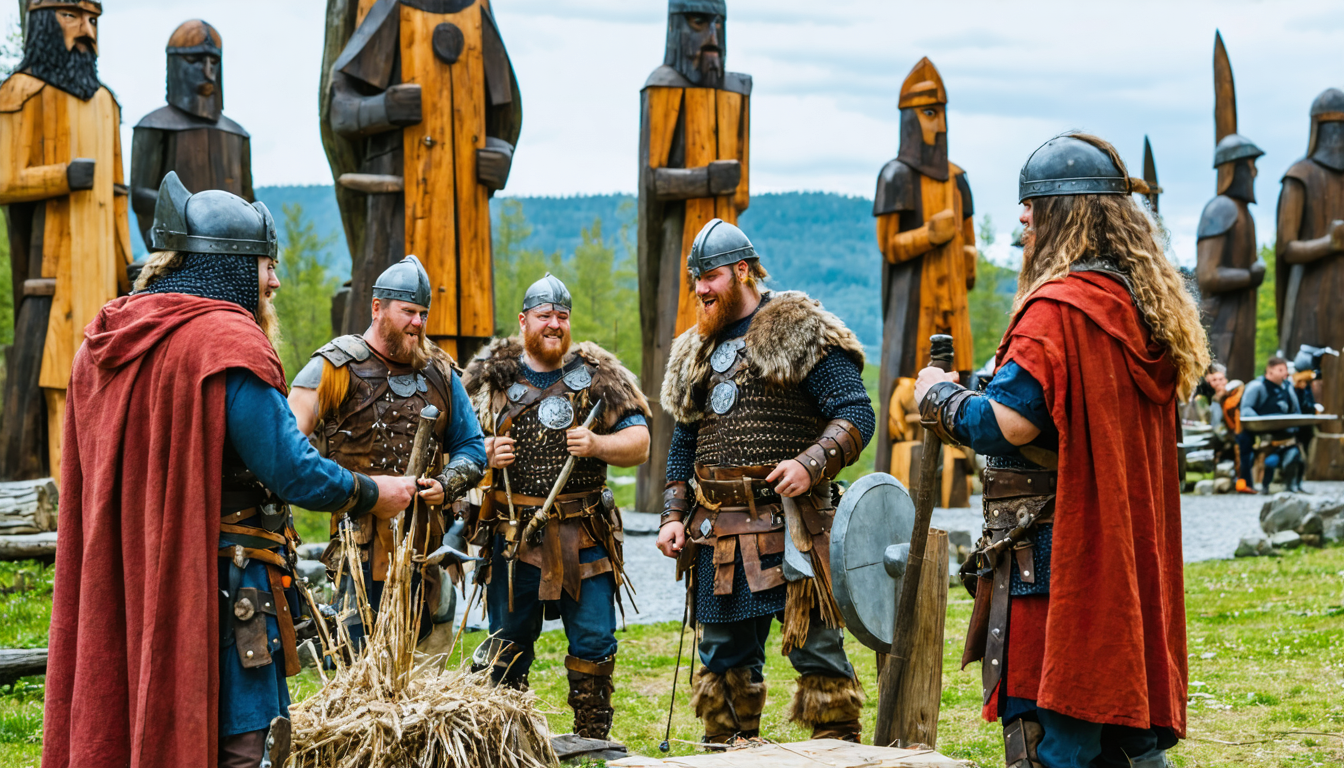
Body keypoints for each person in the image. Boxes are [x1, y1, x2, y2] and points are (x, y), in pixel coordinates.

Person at [42, 172, 422, 768]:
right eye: (265, 265)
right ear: (232, 264)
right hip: (221, 582)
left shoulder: (110, 338)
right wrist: (372, 492)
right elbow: (290, 468)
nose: (274, 281)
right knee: (248, 745)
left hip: (130, 571)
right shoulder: (222, 342)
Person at [917, 134, 1206, 768]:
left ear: (1066, 214)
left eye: (1032, 205)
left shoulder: (1058, 310)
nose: (1021, 217)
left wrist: (938, 399)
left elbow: (1008, 423)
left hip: (1054, 560)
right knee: (1120, 728)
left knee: (1053, 731)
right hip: (1118, 560)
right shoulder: (1142, 310)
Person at [656, 220, 873, 745]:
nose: (701, 289)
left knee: (817, 652)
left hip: (792, 524)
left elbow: (854, 412)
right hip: (718, 531)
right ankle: (727, 753)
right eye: (695, 280)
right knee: (723, 660)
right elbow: (685, 443)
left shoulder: (798, 327)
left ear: (743, 270)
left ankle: (838, 753)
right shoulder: (696, 349)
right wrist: (671, 515)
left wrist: (810, 463)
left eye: (709, 277)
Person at [460, 273, 650, 740]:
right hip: (512, 536)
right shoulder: (489, 379)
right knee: (508, 644)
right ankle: (507, 736)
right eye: (544, 316)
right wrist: (483, 454)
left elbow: (641, 441)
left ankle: (591, 736)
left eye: (561, 316)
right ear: (524, 321)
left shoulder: (599, 374)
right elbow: (454, 447)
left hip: (583, 533)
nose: (554, 324)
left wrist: (598, 444)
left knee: (594, 640)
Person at [287, 254, 487, 647]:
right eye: (408, 311)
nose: (418, 322)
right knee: (358, 660)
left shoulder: (441, 373)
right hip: (356, 548)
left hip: (424, 546)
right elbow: (287, 445)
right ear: (377, 308)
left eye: (423, 313)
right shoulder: (334, 366)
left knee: (424, 663)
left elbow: (472, 448)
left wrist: (447, 483)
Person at [0, 0, 132, 480]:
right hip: (54, 269)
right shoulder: (21, 91)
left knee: (110, 374)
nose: (86, 30)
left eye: (93, 19)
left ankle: (106, 491)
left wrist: (128, 261)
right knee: (60, 373)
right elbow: (4, 177)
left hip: (103, 270)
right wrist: (60, 175)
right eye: (72, 16)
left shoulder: (106, 103)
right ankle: (63, 495)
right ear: (41, 21)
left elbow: (118, 193)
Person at [131, 19, 254, 245]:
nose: (208, 72)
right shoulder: (154, 125)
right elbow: (139, 196)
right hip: (174, 242)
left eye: (213, 62)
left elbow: (248, 197)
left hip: (233, 245)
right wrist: (195, 209)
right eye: (195, 60)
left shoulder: (237, 133)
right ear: (177, 63)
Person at [1239, 357, 1307, 494]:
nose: (1285, 373)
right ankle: (1257, 486)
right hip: (1266, 439)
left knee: (1297, 458)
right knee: (1265, 461)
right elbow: (1246, 409)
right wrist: (1262, 424)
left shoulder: (1288, 387)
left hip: (1288, 437)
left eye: (1286, 370)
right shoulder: (1257, 386)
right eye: (1281, 370)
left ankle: (1294, 486)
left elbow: (1296, 411)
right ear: (1270, 371)